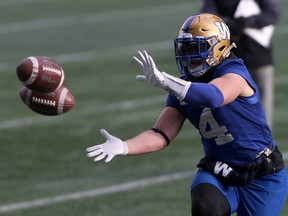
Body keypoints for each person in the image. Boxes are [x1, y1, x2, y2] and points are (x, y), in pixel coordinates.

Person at [86, 13, 287, 216]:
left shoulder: (234, 72)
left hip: (262, 175)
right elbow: (161, 134)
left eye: (195, 48)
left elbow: (215, 96)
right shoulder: (183, 87)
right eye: (185, 48)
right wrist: (124, 146)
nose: (188, 56)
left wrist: (167, 82)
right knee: (205, 207)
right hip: (219, 172)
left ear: (218, 46)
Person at [200, 0, 281, 128]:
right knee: (230, 107)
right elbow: (207, 16)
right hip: (227, 58)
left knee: (263, 107)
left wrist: (247, 21)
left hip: (258, 55)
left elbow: (273, 13)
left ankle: (265, 143)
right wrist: (230, 24)